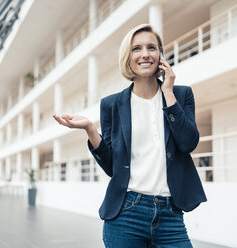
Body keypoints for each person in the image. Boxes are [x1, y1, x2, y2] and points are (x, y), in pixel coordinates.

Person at [53, 23, 207, 248]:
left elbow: (188, 143)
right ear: (128, 56)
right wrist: (90, 129)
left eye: (151, 48)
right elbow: (111, 167)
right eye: (137, 49)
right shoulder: (111, 105)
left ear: (160, 55)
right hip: (126, 213)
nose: (145, 54)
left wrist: (168, 93)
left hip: (170, 214)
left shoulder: (182, 95)